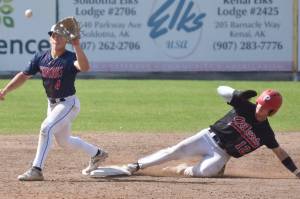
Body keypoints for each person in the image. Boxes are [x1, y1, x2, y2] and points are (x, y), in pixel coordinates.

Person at [0, 23, 108, 181]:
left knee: (46, 128)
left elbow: (84, 67)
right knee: (65, 142)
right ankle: (97, 154)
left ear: (66, 40)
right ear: (50, 38)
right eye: (54, 35)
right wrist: (4, 90)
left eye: (60, 35)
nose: (56, 37)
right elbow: (23, 75)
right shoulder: (41, 57)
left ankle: (36, 169)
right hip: (52, 105)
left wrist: (77, 45)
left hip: (68, 104)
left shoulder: (70, 57)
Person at [124, 86, 300, 178]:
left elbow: (279, 152)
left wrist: (296, 172)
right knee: (174, 151)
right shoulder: (245, 105)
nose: (260, 108)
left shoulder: (266, 133)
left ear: (272, 112)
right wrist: (236, 93)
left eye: (265, 108)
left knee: (204, 172)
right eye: (260, 104)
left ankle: (181, 169)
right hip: (207, 137)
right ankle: (137, 165)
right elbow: (220, 89)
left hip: (222, 154)